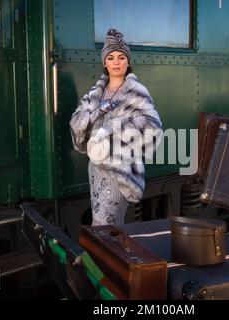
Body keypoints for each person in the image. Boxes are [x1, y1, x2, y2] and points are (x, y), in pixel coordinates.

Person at [70, 29, 162, 226]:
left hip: (121, 170)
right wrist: (95, 114)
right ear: (105, 62)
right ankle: (112, 257)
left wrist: (114, 127)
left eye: (121, 57)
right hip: (96, 168)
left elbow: (153, 126)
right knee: (104, 225)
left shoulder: (137, 92)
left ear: (128, 61)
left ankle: (105, 256)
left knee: (103, 224)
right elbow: (76, 121)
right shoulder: (96, 92)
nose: (116, 62)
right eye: (111, 58)